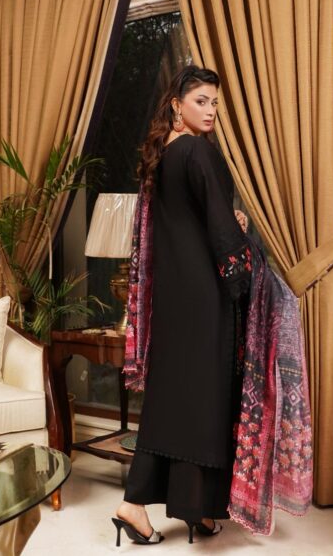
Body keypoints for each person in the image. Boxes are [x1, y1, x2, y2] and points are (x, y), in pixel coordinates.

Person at [112, 65, 253, 546]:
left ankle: (181, 508)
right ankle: (165, 506)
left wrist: (226, 219)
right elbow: (219, 227)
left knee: (177, 399)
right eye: (201, 102)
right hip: (203, 294)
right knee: (204, 400)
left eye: (215, 103)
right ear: (177, 104)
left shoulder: (165, 155)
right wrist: (242, 272)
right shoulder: (196, 150)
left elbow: (191, 221)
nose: (210, 111)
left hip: (173, 298)